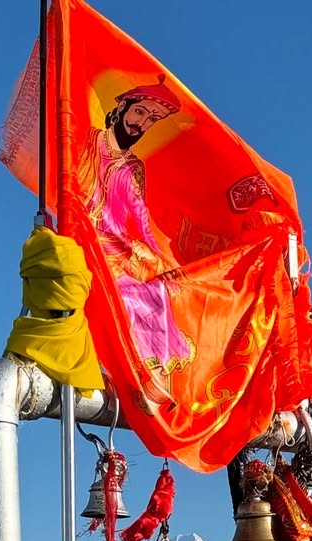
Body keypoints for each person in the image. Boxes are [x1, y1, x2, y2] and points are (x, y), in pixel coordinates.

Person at [77, 75, 194, 387]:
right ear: (124, 107)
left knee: (158, 286)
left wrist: (159, 255)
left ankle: (155, 379)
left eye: (152, 119)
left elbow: (141, 218)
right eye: (140, 113)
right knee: (132, 295)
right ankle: (138, 372)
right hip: (86, 240)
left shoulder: (134, 167)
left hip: (120, 249)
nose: (142, 124)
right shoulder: (87, 142)